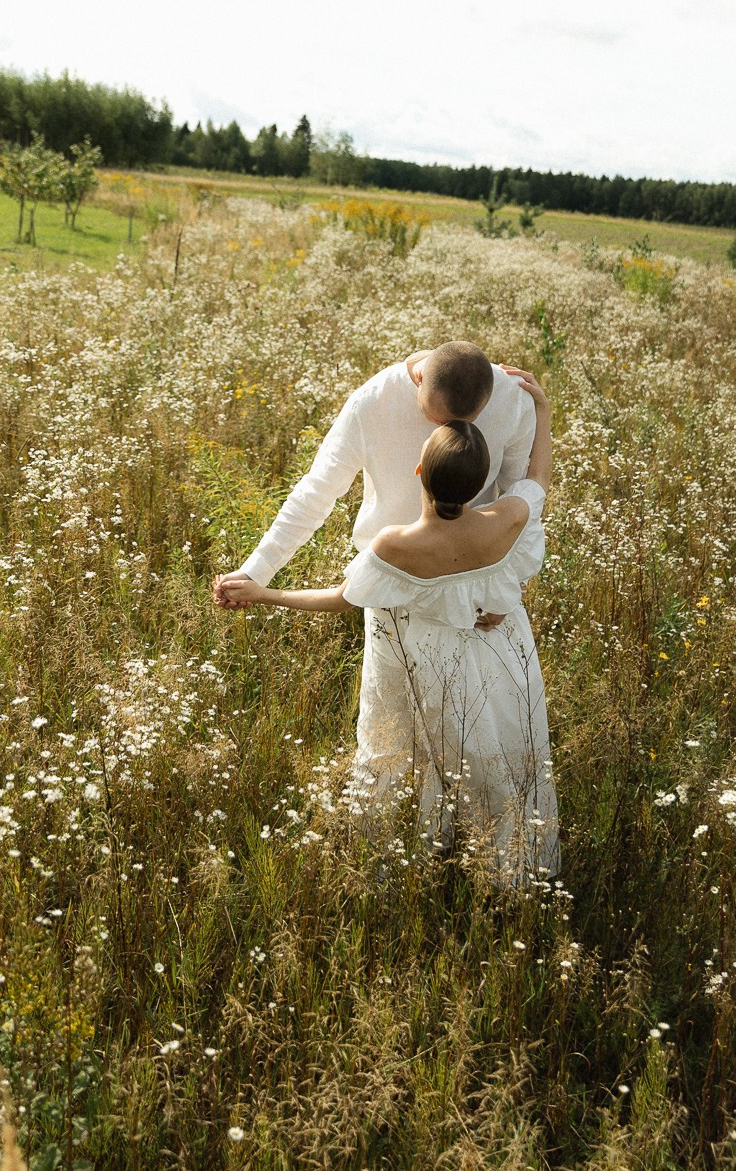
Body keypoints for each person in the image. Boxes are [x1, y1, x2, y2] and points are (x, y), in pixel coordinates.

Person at [216, 370, 558, 885]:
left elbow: (341, 599)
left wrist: (264, 591)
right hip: (489, 633)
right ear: (480, 480)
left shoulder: (392, 547)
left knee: (395, 740)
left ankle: (400, 860)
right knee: (493, 742)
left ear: (418, 471)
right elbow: (536, 485)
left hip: (404, 632)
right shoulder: (508, 518)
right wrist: (546, 414)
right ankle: (502, 862)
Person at [214, 340, 536, 597]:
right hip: (391, 581)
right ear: (420, 378)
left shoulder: (513, 398)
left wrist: (509, 590)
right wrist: (256, 570)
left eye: (466, 423)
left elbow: (519, 498)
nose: (446, 432)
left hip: (474, 582)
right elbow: (317, 491)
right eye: (436, 419)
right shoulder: (369, 404)